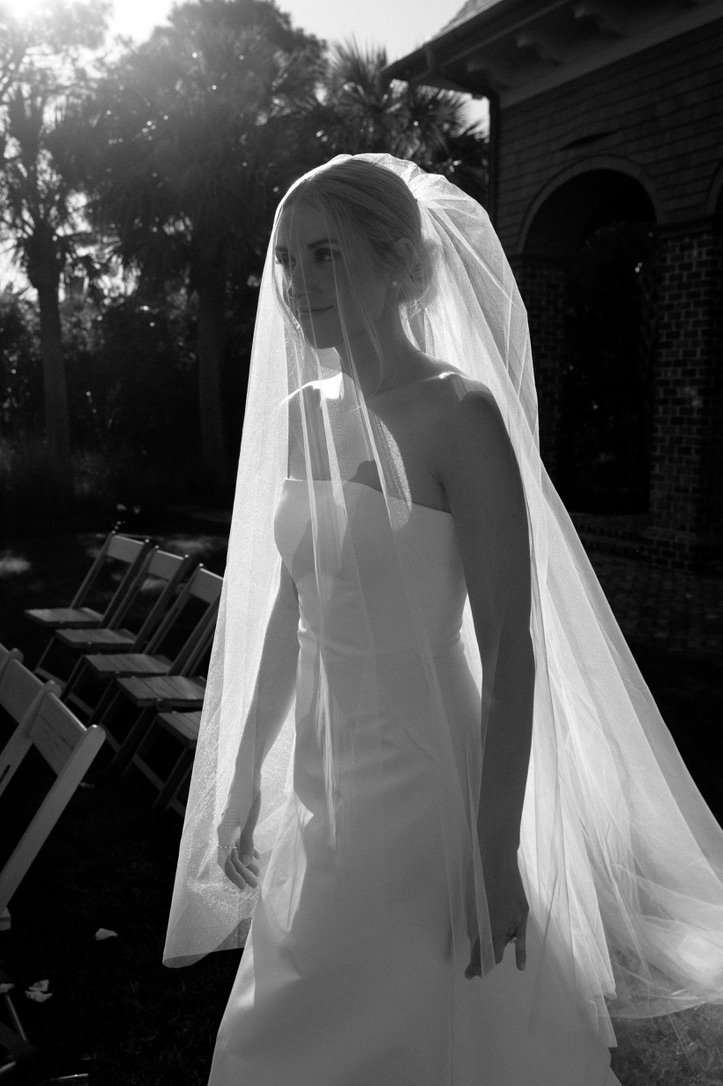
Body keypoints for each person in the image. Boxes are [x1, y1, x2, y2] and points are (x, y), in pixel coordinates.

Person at [164, 155, 723, 1085]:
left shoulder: (459, 415)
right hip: (321, 780)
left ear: (398, 265)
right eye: (288, 259)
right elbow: (286, 616)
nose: (299, 284)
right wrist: (241, 781)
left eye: (326, 255)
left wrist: (496, 849)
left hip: (429, 791)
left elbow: (510, 650)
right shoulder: (304, 413)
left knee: (430, 1019)